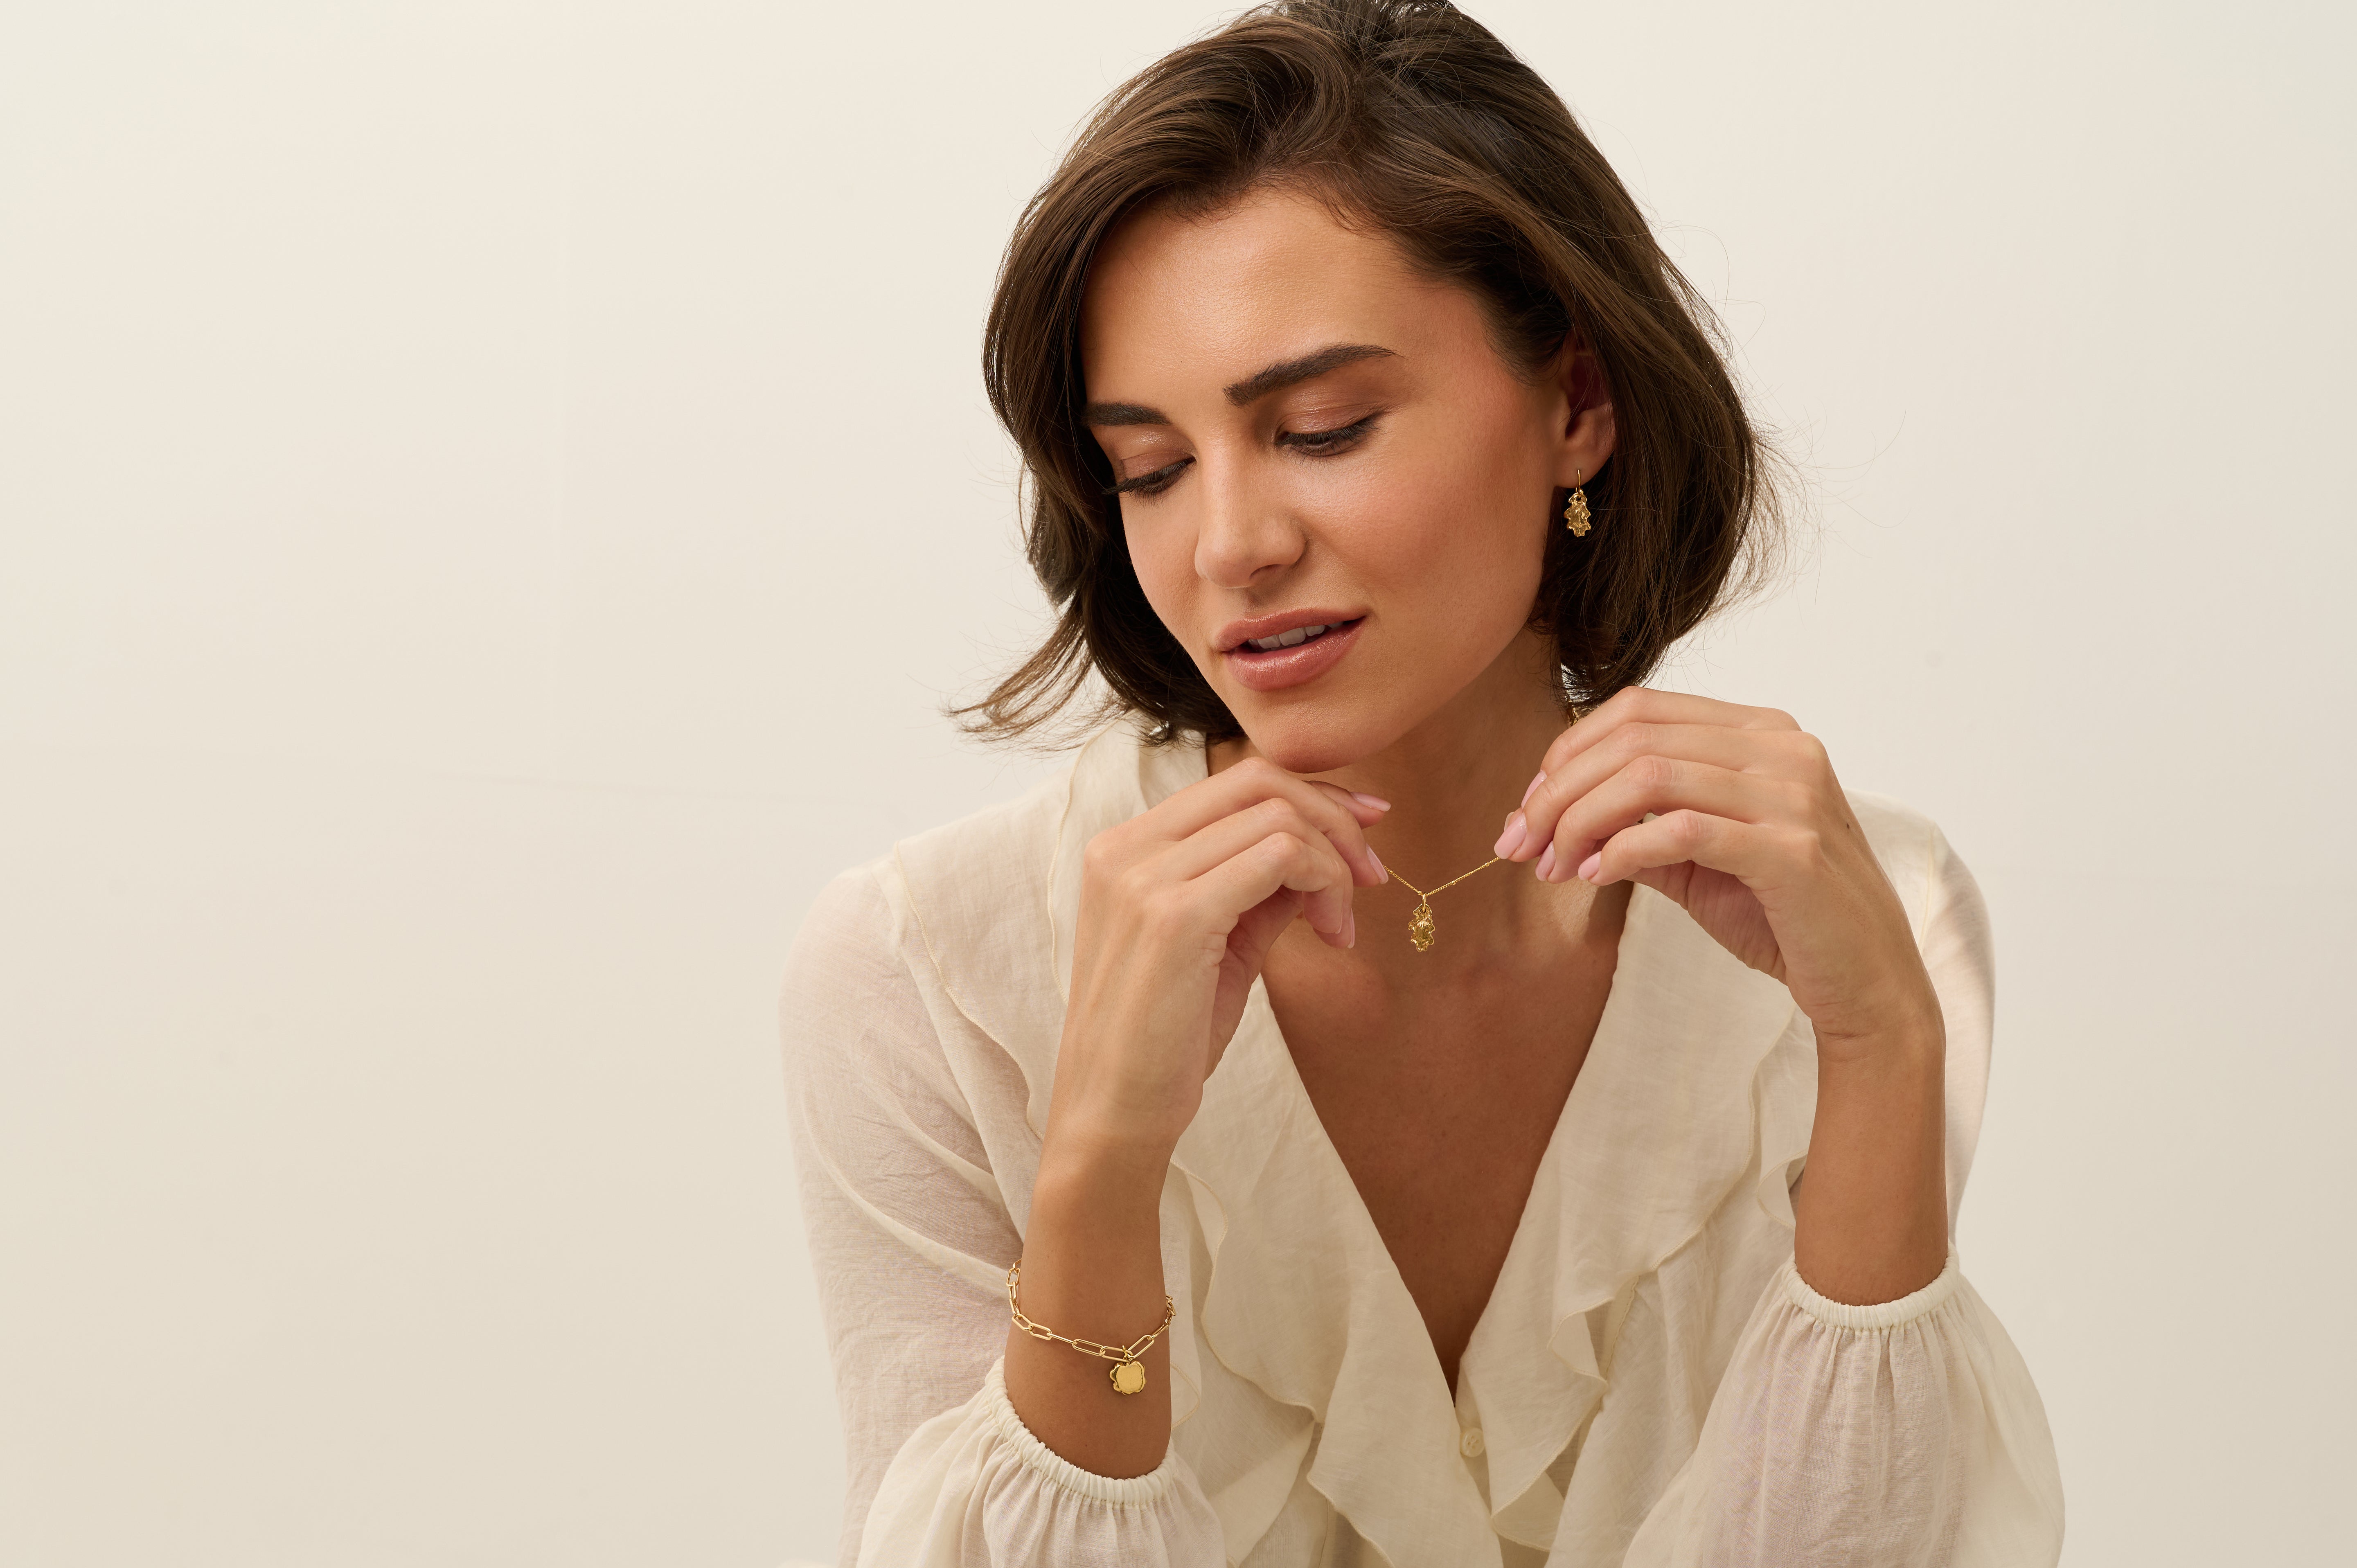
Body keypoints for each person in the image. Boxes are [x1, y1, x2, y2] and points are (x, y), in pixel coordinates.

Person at [781, 2, 2064, 1563]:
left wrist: (1880, 1050)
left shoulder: (1857, 915)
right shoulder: (931, 977)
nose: (1230, 546)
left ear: (1578, 406)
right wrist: (1103, 1175)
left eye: (1321, 428)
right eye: (1151, 469)